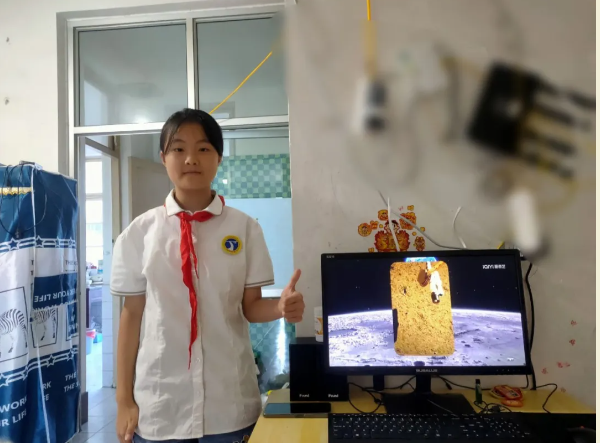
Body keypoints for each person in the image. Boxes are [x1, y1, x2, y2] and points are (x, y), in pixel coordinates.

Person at [110, 108, 305, 443]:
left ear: (218, 158)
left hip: (228, 405)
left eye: (203, 148)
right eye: (178, 149)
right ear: (163, 158)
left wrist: (279, 308)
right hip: (160, 403)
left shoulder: (244, 228)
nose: (191, 159)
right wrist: (124, 400)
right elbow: (132, 316)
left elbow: (251, 307)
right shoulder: (140, 233)